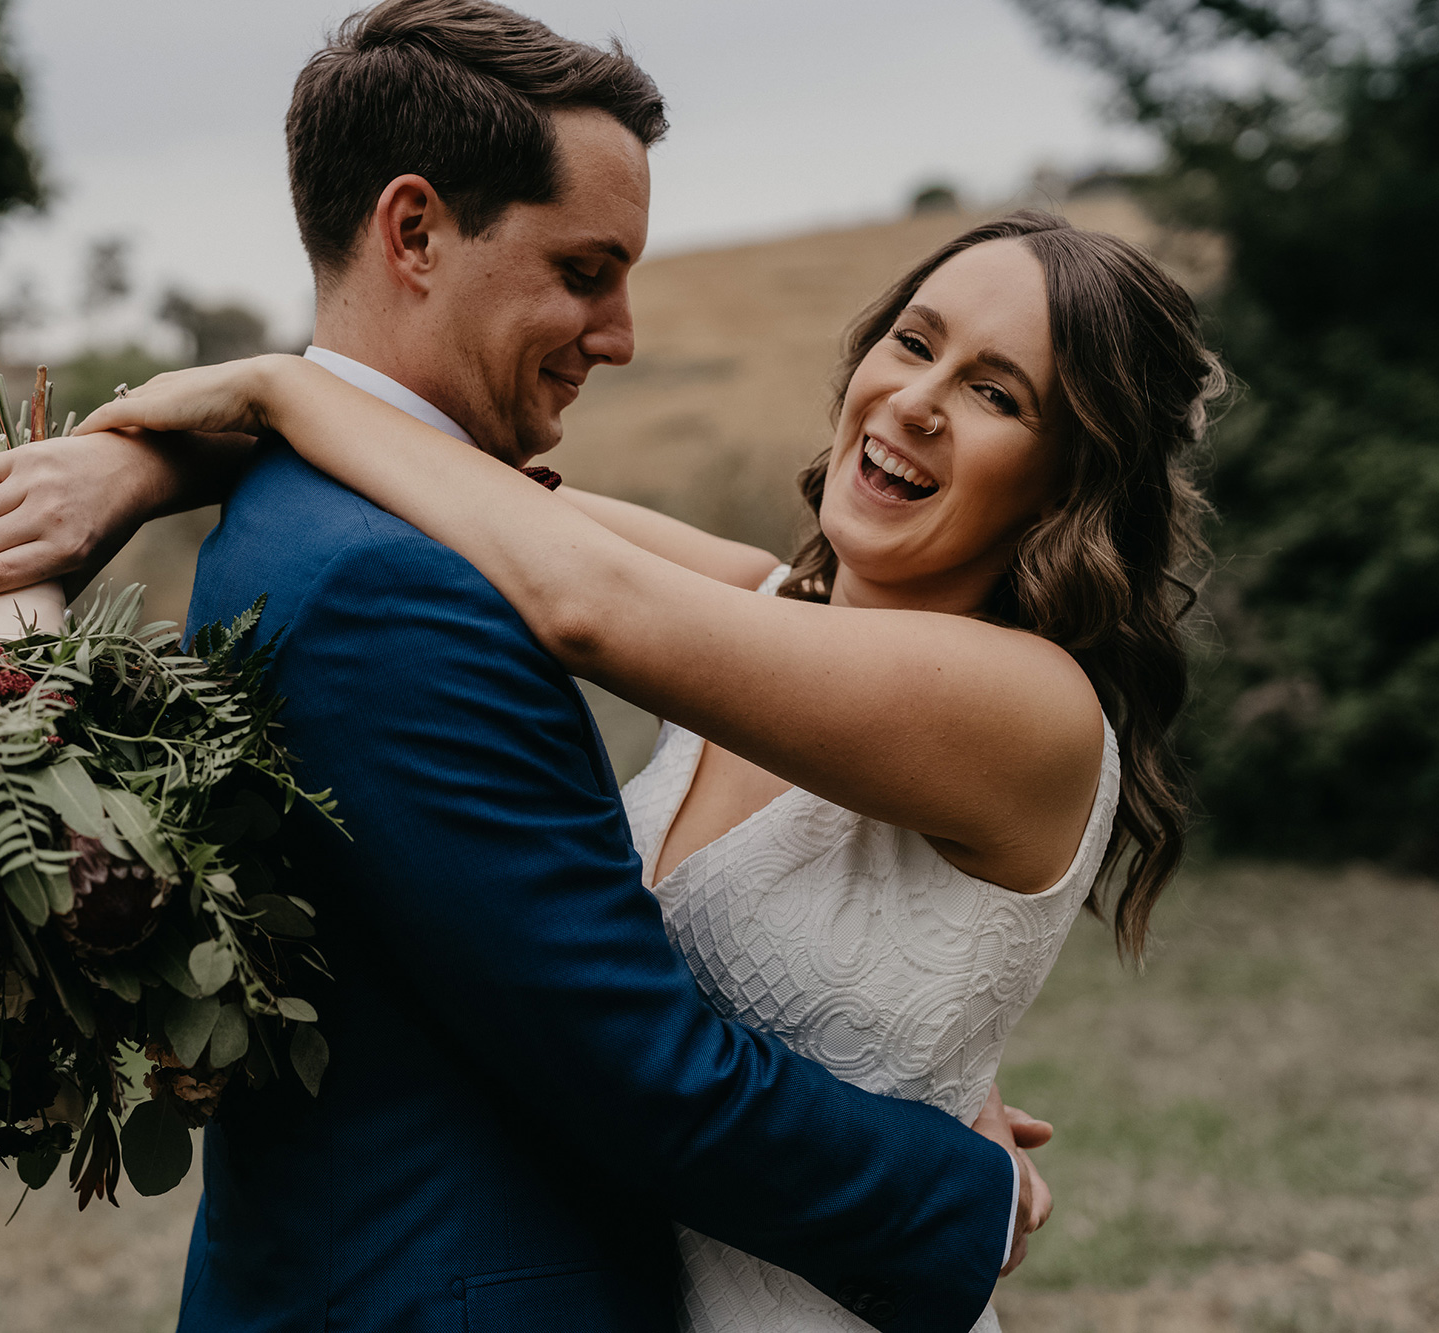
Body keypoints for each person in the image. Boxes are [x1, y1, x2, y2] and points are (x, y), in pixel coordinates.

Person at [0, 3, 1057, 1330]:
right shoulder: (392, 585)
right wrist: (961, 1190)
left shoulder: (348, 520)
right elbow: (632, 1067)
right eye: (586, 271)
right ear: (413, 231)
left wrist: (196, 436)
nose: (621, 331)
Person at [61, 205, 1221, 1330]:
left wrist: (276, 383)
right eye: (911, 342)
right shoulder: (757, 603)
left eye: (993, 393)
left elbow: (581, 602)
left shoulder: (1027, 707)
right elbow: (479, 496)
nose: (914, 401)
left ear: (1067, 481)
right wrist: (152, 468)